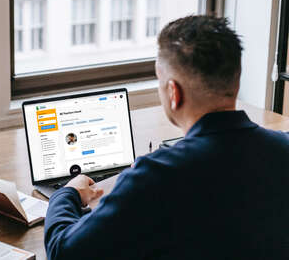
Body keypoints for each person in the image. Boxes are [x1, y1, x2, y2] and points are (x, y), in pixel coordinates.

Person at [44, 15, 289, 259]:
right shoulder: (283, 148)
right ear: (235, 82)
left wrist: (67, 194)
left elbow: (64, 252)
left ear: (173, 92)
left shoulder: (154, 177)